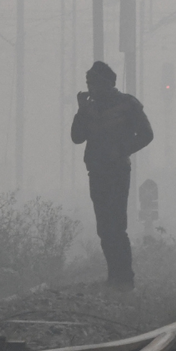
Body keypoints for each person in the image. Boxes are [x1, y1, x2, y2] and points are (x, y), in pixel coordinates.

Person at [70, 61, 154, 290]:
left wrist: (122, 149)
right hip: (96, 171)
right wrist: (81, 110)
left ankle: (125, 277)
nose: (90, 88)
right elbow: (77, 137)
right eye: (88, 83)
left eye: (93, 83)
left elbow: (147, 134)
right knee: (104, 227)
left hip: (117, 171)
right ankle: (113, 276)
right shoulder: (90, 108)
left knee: (117, 225)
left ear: (107, 84)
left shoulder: (128, 105)